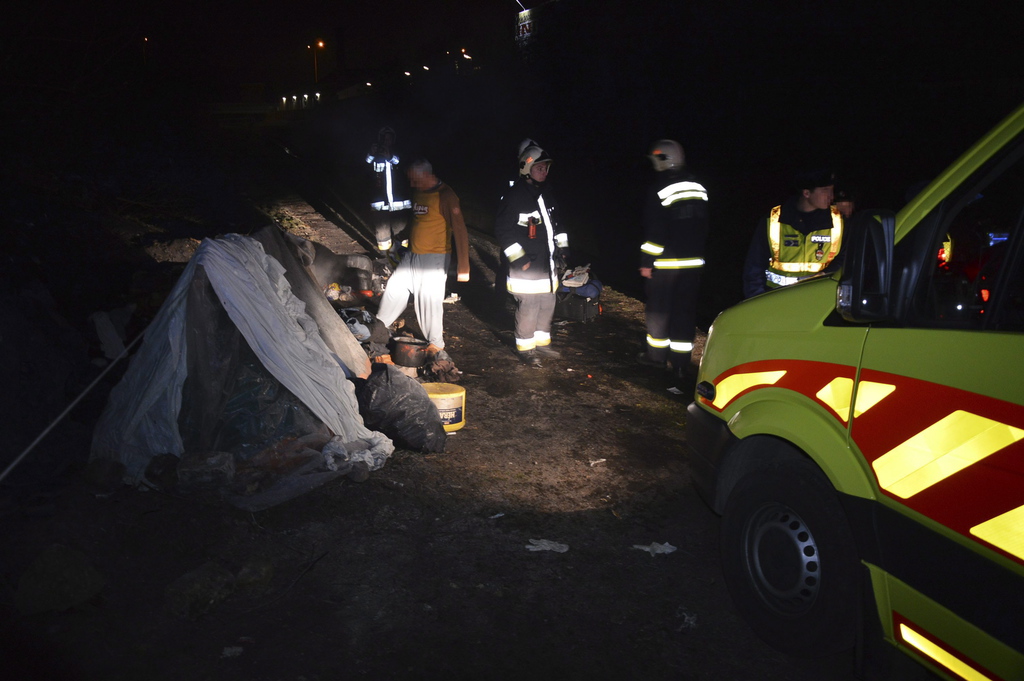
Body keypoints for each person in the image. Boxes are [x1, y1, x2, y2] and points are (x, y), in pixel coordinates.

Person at [374, 159, 470, 360]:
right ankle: (378, 328)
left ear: (427, 175)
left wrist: (463, 266)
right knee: (394, 287)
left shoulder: (446, 196)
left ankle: (436, 345)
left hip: (434, 258)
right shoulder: (419, 191)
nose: (411, 184)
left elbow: (460, 230)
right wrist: (402, 239)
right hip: (413, 254)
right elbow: (418, 220)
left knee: (427, 300)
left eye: (414, 180)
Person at [637, 139, 710, 383]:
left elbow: (656, 231)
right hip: (693, 266)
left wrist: (647, 261)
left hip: (666, 266)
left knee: (658, 311)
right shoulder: (699, 187)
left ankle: (656, 357)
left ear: (662, 160)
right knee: (685, 314)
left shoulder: (660, 189)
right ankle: (680, 365)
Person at [495, 143, 570, 367]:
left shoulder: (546, 195)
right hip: (527, 267)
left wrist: (564, 250)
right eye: (540, 168)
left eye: (546, 168)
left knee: (547, 303)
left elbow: (557, 225)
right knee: (528, 307)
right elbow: (503, 230)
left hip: (547, 265)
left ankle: (542, 344)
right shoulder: (515, 196)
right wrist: (520, 259)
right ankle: (526, 349)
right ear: (526, 169)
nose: (544, 172)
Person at [742, 169, 844, 298]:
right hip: (776, 299)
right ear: (806, 193)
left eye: (831, 190)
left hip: (818, 301)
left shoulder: (838, 221)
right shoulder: (774, 220)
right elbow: (754, 267)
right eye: (825, 190)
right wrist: (756, 301)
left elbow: (845, 259)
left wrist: (825, 274)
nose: (831, 196)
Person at [365, 126, 412, 257]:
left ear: (393, 140)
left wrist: (390, 156)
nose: (386, 142)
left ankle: (403, 257)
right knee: (382, 232)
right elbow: (365, 168)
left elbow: (402, 165)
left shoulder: (400, 153)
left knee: (401, 232)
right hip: (380, 203)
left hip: (400, 203)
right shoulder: (374, 156)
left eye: (389, 139)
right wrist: (372, 154)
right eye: (384, 139)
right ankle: (385, 258)